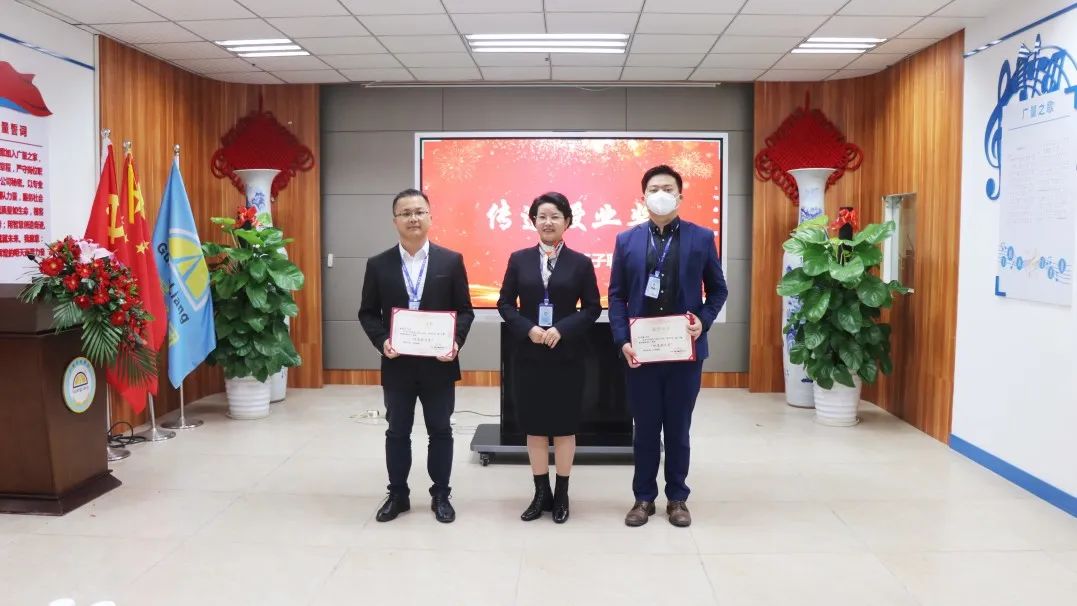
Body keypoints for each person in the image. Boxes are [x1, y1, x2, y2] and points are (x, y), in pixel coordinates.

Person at [608, 165, 728, 528]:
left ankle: (677, 498)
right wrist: (622, 340)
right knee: (645, 429)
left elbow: (718, 290)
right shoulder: (626, 240)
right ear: (643, 197)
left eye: (668, 188)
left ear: (680, 196)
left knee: (677, 428)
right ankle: (643, 498)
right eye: (654, 189)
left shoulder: (701, 237)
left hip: (684, 351)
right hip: (641, 352)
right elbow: (616, 296)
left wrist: (703, 321)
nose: (661, 194)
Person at [358, 188, 474, 524]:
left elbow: (464, 311)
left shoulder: (451, 261)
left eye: (419, 212)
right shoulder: (378, 264)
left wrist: (455, 341)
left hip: (439, 365)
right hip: (398, 365)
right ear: (395, 220)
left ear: (430, 217)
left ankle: (441, 494)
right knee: (397, 432)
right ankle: (398, 494)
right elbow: (367, 313)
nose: (413, 218)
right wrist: (382, 341)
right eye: (405, 213)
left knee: (441, 431)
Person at [497, 192, 601, 524]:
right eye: (541, 216)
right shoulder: (519, 259)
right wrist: (527, 328)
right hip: (529, 355)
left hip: (566, 356)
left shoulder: (581, 263)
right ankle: (541, 493)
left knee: (564, 427)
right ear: (533, 221)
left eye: (555, 216)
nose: (548, 222)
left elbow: (593, 308)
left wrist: (563, 328)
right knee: (535, 427)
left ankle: (562, 493)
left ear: (567, 221)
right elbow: (504, 304)